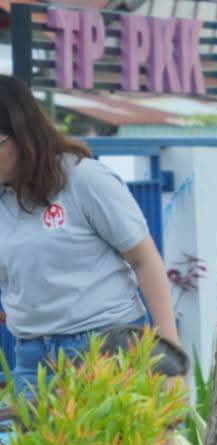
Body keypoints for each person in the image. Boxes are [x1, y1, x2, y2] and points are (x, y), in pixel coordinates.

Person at [0, 75, 183, 417]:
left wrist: (168, 357)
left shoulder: (84, 181)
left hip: (103, 348)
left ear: (23, 134)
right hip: (32, 359)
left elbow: (145, 260)